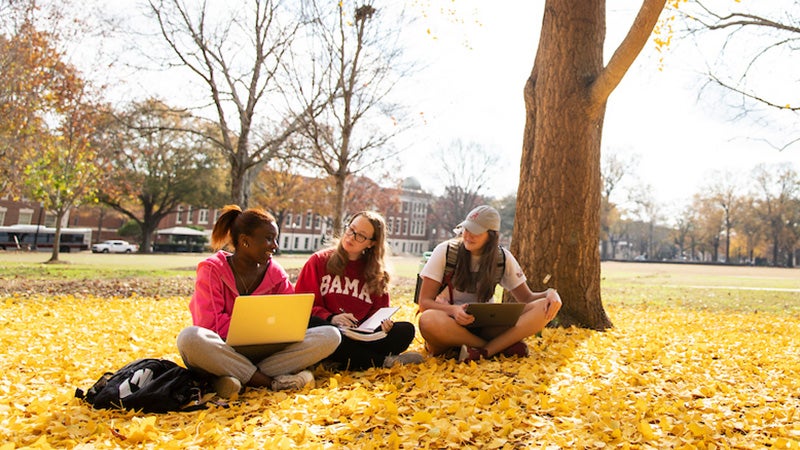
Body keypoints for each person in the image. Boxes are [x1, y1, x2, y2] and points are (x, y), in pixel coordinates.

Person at [176, 205, 341, 398]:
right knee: (189, 338)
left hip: (267, 353)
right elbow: (209, 325)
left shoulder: (276, 273)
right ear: (245, 241)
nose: (275, 246)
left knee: (331, 335)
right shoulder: (212, 270)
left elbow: (292, 318)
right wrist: (255, 330)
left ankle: (231, 379)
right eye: (269, 239)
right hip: (222, 349)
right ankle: (270, 382)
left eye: (275, 239)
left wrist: (274, 333)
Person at [417, 205, 562, 362]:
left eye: (476, 232)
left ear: (491, 236)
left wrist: (550, 293)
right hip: (449, 326)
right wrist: (453, 310)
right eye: (466, 229)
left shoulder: (503, 257)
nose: (468, 236)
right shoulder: (445, 251)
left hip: (486, 327)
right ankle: (497, 348)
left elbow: (527, 298)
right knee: (427, 320)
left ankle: (482, 352)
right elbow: (424, 302)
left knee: (543, 306)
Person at [295, 211, 424, 370]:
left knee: (405, 331)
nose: (351, 237)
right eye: (351, 229)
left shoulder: (377, 273)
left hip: (361, 335)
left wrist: (384, 324)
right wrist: (332, 317)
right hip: (329, 330)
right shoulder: (319, 261)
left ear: (371, 243)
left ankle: (340, 360)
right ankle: (382, 362)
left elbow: (379, 312)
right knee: (317, 325)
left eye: (361, 236)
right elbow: (302, 306)